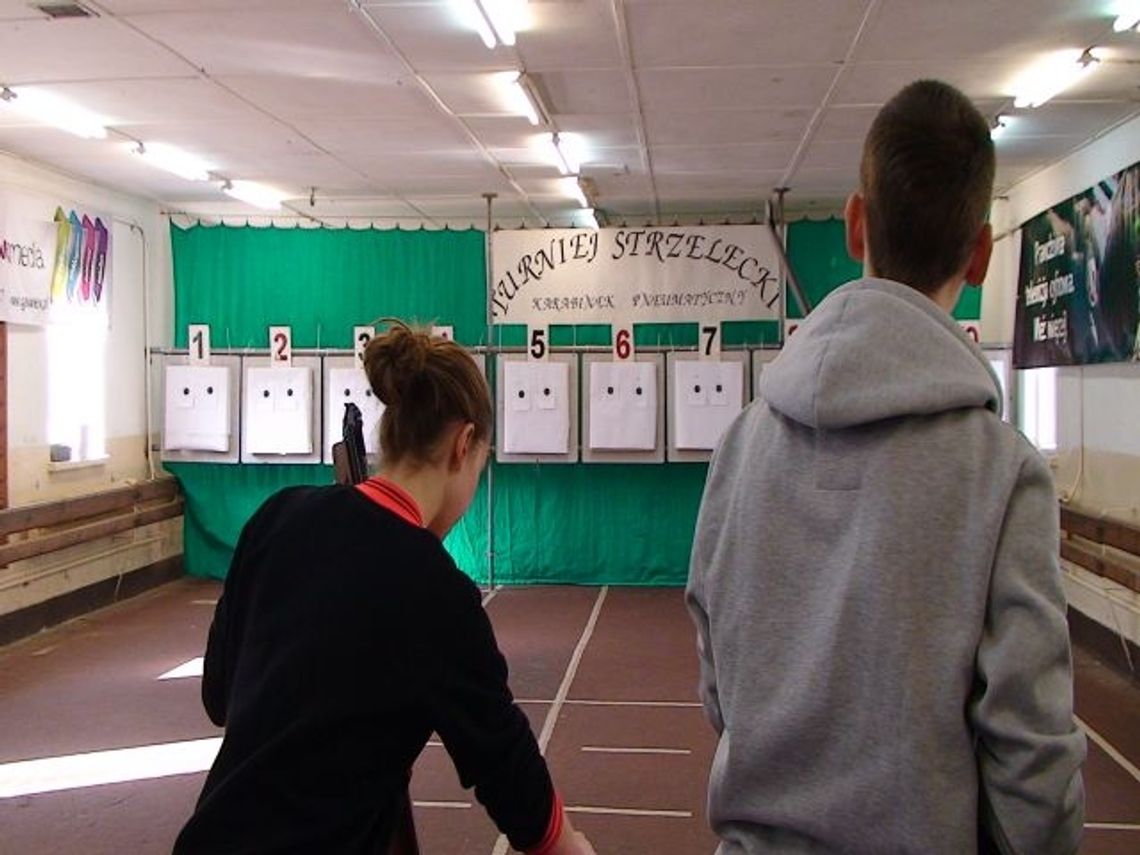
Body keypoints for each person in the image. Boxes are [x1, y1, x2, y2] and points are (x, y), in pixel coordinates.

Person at [686, 80, 1085, 854]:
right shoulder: (1002, 472)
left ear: (855, 223)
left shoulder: (741, 443)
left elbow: (719, 681)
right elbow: (1031, 749)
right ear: (980, 254)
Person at [174, 322, 594, 855]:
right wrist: (572, 845)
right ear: (463, 445)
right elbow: (512, 778)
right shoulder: (438, 590)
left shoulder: (276, 516)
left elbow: (219, 696)